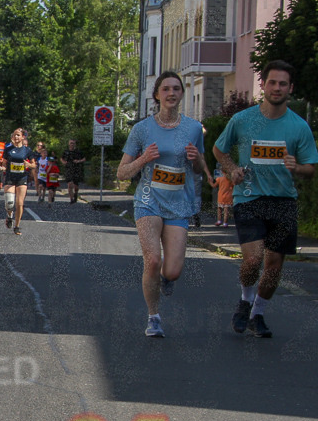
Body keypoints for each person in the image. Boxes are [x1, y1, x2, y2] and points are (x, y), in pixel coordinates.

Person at [213, 60, 318, 338]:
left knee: (274, 265)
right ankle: (245, 301)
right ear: (263, 84)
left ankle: (257, 314)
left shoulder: (299, 127)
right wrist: (232, 169)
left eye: (283, 84)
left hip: (283, 201)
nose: (277, 88)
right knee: (253, 259)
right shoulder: (243, 120)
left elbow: (311, 169)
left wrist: (298, 168)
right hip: (249, 197)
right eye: (272, 82)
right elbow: (219, 150)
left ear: (290, 88)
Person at [117, 71, 206, 338]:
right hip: (148, 200)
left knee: (173, 270)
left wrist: (195, 160)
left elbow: (200, 169)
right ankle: (153, 316)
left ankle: (167, 280)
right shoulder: (142, 129)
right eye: (165, 89)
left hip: (178, 203)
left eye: (176, 89)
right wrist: (144, 158)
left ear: (181, 94)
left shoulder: (192, 128)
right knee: (153, 260)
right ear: (157, 95)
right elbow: (122, 173)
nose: (171, 93)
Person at [1, 127, 37, 235]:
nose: (16, 137)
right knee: (9, 203)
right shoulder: (8, 149)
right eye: (14, 135)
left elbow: (34, 165)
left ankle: (17, 226)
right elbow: (4, 163)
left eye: (18, 135)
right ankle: (9, 216)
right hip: (10, 178)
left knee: (20, 203)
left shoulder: (27, 150)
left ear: (22, 137)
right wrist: (2, 168)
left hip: (22, 178)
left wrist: (28, 165)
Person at [60, 139, 86, 204]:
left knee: (76, 186)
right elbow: (61, 158)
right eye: (71, 143)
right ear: (69, 144)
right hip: (68, 169)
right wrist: (63, 162)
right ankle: (71, 199)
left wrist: (78, 161)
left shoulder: (78, 151)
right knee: (69, 184)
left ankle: (76, 194)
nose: (72, 144)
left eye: (73, 143)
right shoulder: (66, 151)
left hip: (76, 169)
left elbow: (84, 159)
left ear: (75, 144)